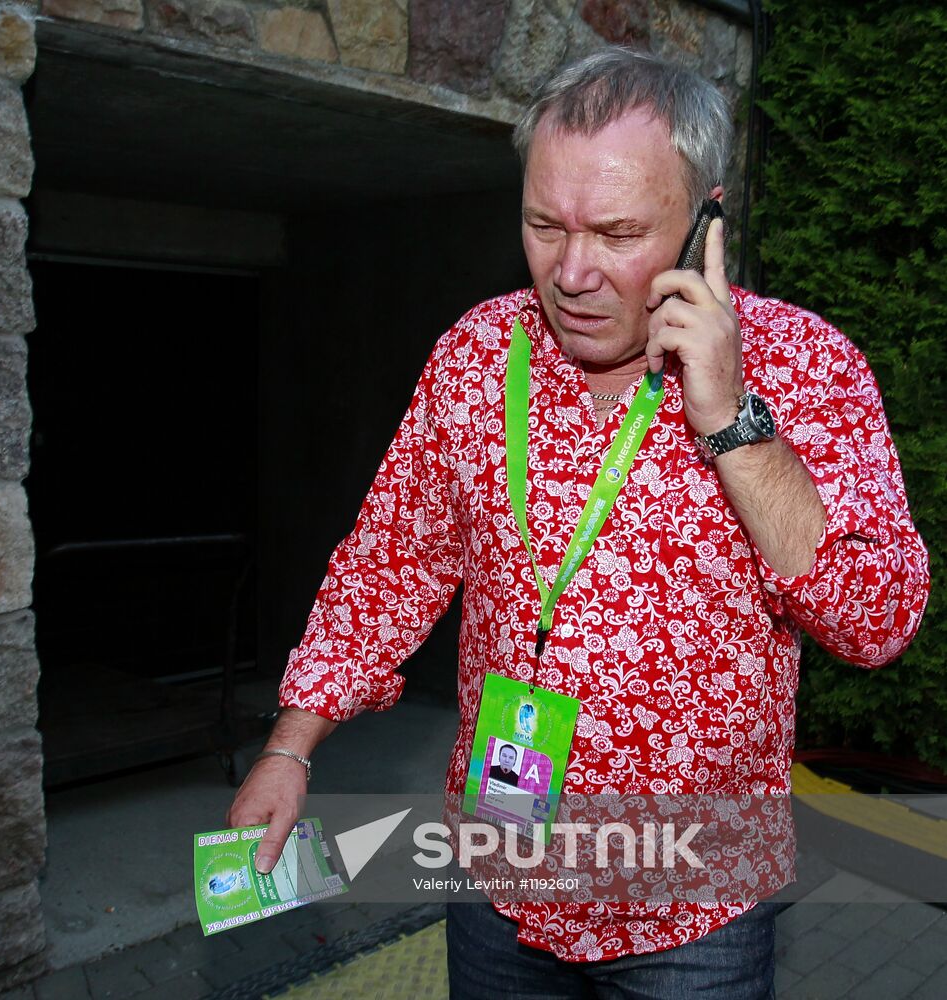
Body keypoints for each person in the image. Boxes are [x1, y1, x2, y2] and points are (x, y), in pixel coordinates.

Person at [230, 47, 929, 997]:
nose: (571, 271)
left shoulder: (806, 365)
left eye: (616, 230)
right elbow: (389, 562)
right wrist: (288, 747)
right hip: (498, 882)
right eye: (541, 223)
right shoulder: (474, 356)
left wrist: (731, 419)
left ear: (704, 218)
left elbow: (877, 621)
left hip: (696, 906)